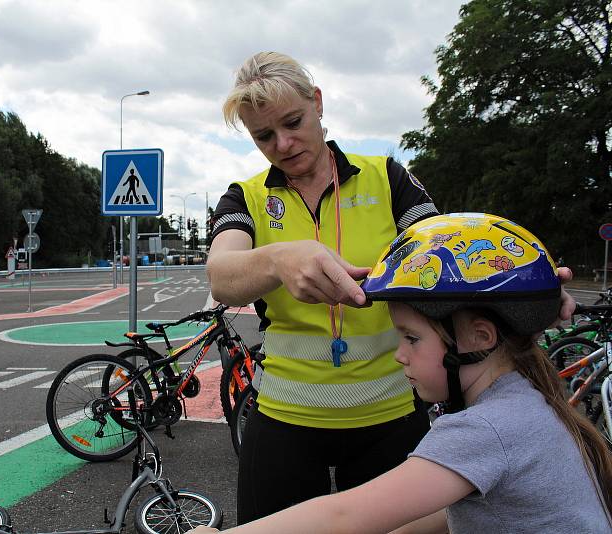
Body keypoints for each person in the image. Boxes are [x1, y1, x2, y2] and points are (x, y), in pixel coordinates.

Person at [206, 51, 577, 524]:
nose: (283, 143)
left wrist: (530, 290)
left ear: (317, 103)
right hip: (284, 418)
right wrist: (278, 258)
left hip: (391, 415)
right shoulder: (246, 196)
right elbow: (222, 276)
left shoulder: (387, 176)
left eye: (293, 121)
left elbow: (449, 256)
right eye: (263, 136)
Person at [192, 213, 611, 533]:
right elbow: (446, 514)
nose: (399, 356)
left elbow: (344, 513)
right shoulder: (525, 398)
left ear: (479, 338)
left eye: (411, 338)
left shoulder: (485, 429)